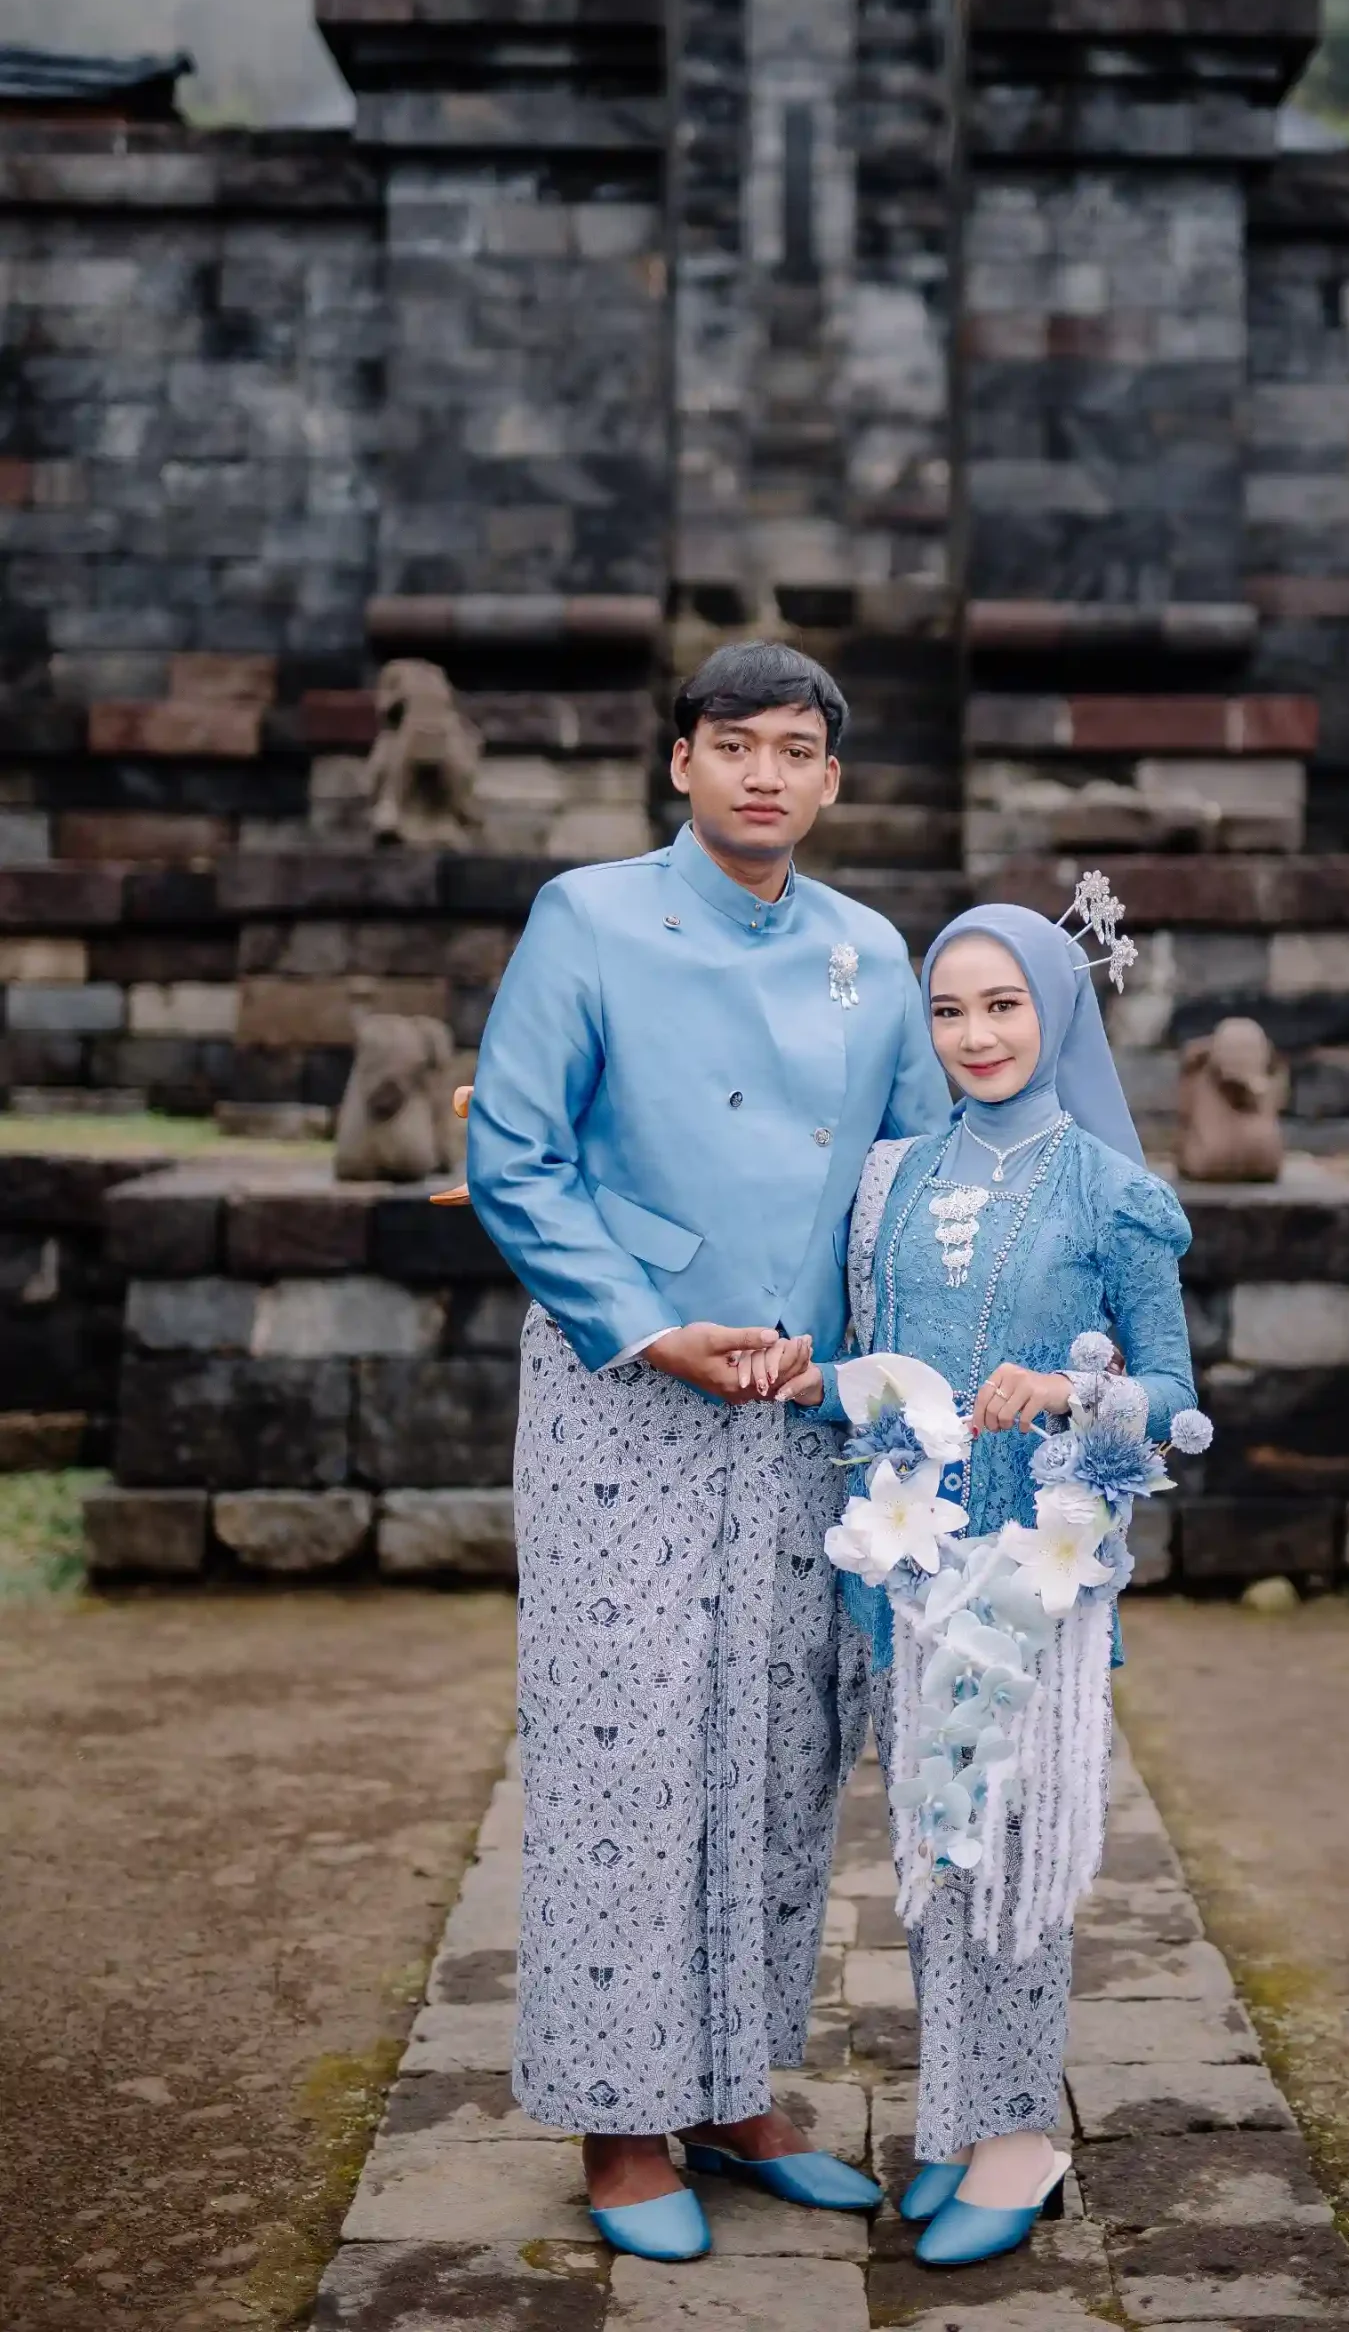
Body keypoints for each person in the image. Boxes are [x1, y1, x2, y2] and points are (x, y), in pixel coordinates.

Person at [466, 642, 951, 2262]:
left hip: (800, 1402)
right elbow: (515, 1155)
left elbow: (902, 1175)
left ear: (831, 780)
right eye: (732, 743)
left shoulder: (870, 950)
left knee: (778, 1749)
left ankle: (734, 2090)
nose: (763, 772)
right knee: (624, 1748)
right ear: (680, 762)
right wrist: (647, 1323)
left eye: (794, 749)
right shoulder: (588, 918)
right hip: (627, 1388)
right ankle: (619, 2123)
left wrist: (855, 1355)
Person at [772, 899, 1197, 2268]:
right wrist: (815, 1383)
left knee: (1010, 1853)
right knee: (936, 1851)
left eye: (1003, 1005)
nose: (975, 1034)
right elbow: (869, 1353)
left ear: (1056, 1011)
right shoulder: (887, 1181)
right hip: (904, 1566)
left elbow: (1174, 1394)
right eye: (948, 1009)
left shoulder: (1112, 1195)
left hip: (1033, 1580)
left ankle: (1020, 2140)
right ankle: (955, 2125)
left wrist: (1069, 1396)